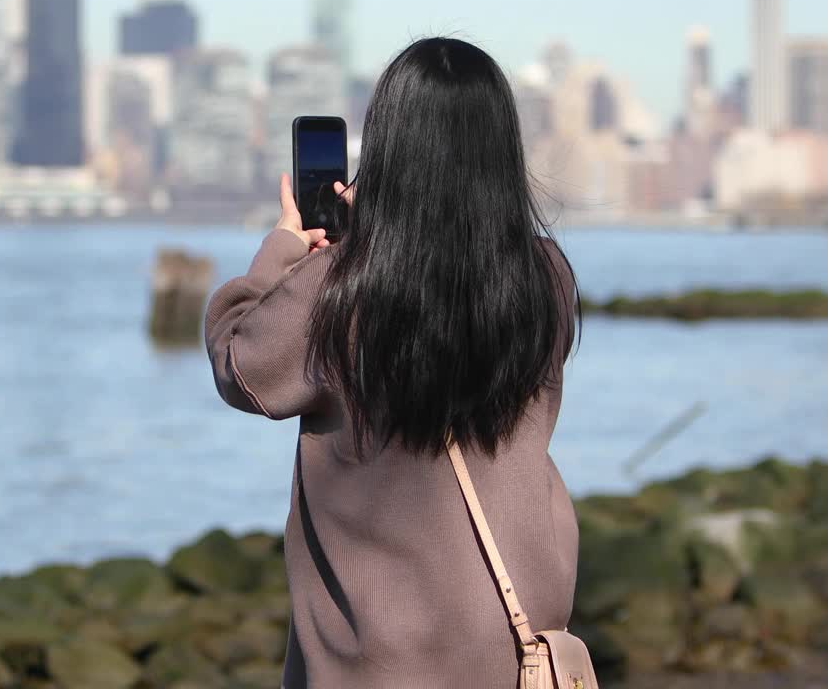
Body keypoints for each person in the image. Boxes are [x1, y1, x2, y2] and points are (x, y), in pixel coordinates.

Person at [204, 37, 581, 687]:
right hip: (514, 644)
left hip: (378, 662)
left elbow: (241, 366)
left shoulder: (337, 287)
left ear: (389, 146)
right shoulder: (545, 276)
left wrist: (287, 250)